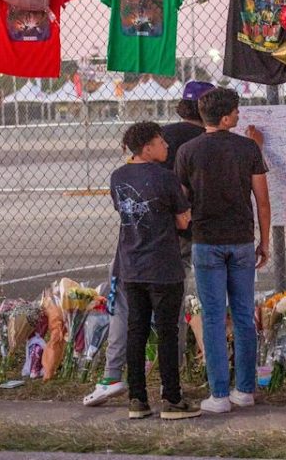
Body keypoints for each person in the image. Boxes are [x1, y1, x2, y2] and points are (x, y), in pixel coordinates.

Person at [83, 81, 214, 407]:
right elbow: (185, 211)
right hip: (176, 243)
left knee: (129, 317)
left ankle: (119, 381)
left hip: (135, 249)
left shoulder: (143, 152)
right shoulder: (206, 142)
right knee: (172, 317)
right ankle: (174, 387)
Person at [175, 87, 271, 413]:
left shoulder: (188, 151)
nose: (240, 115)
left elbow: (182, 201)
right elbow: (262, 199)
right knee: (244, 316)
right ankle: (244, 390)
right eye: (237, 111)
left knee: (213, 318)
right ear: (227, 117)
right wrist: (265, 241)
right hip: (242, 240)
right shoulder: (248, 149)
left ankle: (218, 395)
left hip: (205, 241)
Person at [108, 121, 200, 420]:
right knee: (166, 331)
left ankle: (137, 399)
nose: (167, 146)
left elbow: (124, 210)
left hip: (131, 264)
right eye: (161, 142)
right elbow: (182, 220)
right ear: (147, 147)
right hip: (163, 264)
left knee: (137, 329)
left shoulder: (118, 177)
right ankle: (172, 398)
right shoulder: (165, 178)